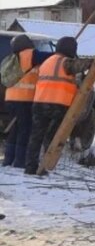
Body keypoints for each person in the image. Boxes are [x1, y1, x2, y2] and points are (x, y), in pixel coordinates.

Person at [23, 37, 94, 176]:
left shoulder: (46, 62)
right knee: (52, 138)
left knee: (36, 137)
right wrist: (93, 63)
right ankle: (45, 166)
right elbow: (79, 66)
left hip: (39, 103)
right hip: (57, 104)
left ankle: (30, 168)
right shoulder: (65, 62)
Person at [2, 35, 53, 169]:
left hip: (10, 98)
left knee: (14, 130)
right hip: (24, 99)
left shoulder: (11, 58)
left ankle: (8, 161)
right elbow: (50, 57)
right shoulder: (30, 54)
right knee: (25, 130)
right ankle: (20, 162)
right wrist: (61, 52)